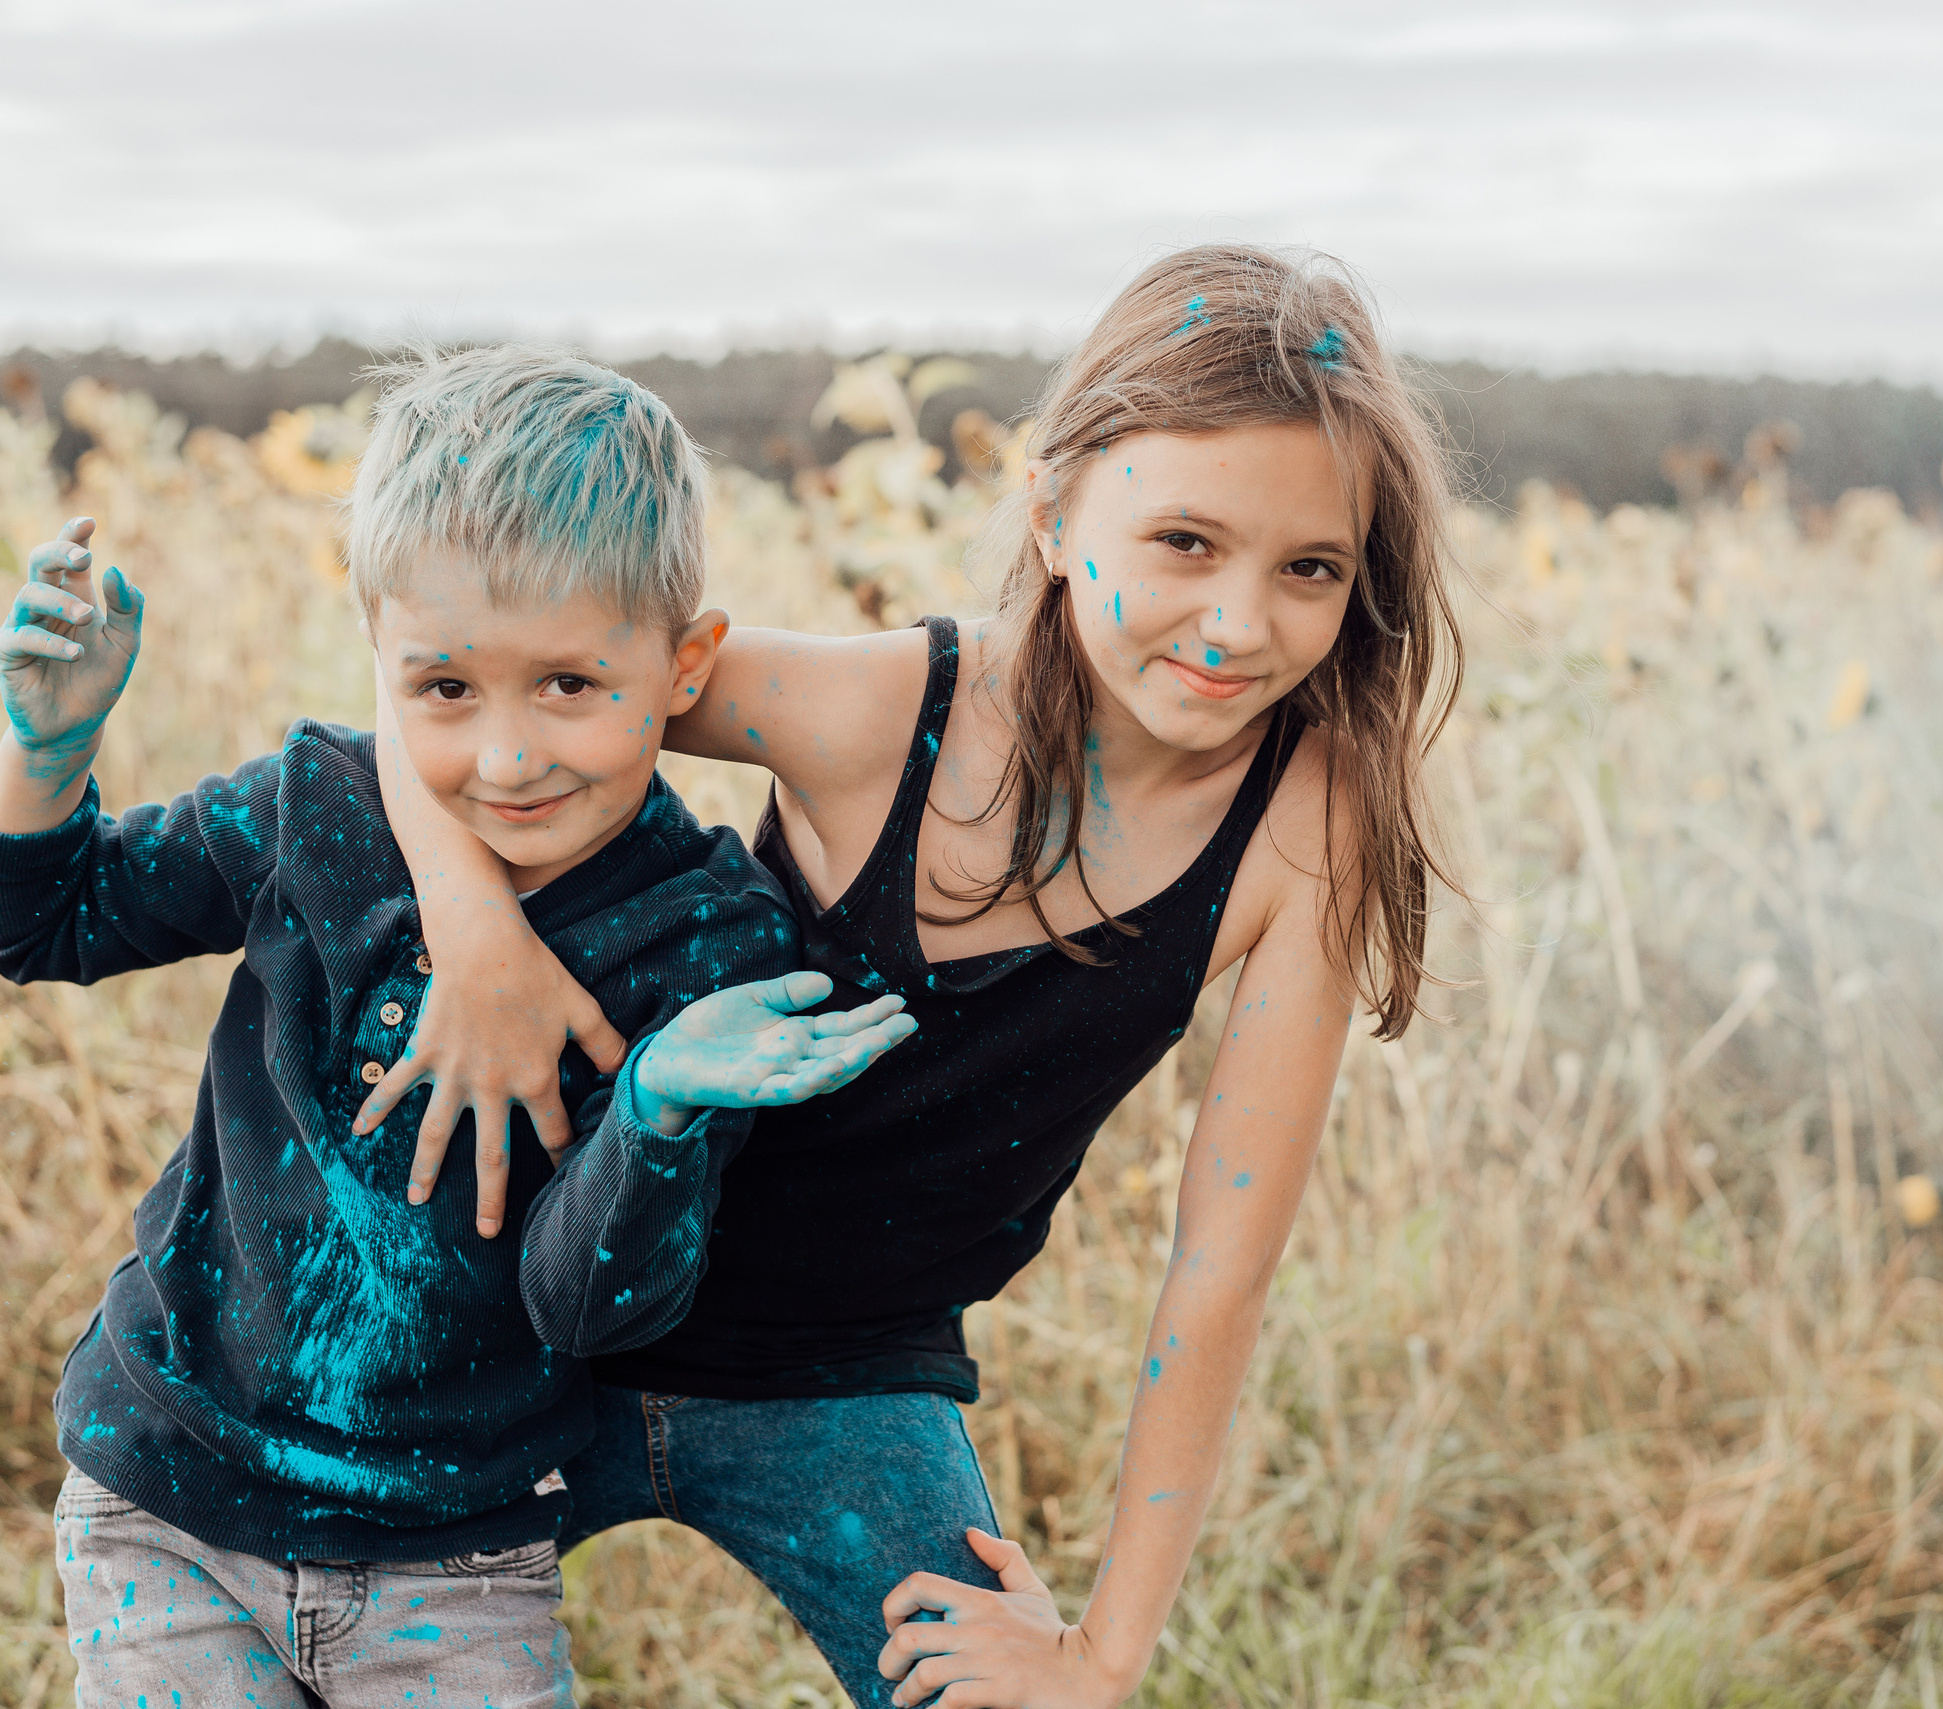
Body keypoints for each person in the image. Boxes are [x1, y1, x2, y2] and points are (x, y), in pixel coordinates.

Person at [364, 246, 1467, 1708]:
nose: (1239, 624)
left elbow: (1221, 1264)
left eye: (1309, 568)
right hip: (556, 1299)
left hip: (852, 1379)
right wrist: (476, 934)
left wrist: (1101, 1656)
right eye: (1185, 542)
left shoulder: (1304, 829)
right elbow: (439, 684)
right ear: (1055, 507)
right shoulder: (874, 709)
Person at [0, 345, 917, 1709]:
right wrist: (46, 753)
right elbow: (48, 927)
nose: (507, 759)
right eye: (446, 689)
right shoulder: (315, 809)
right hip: (163, 1503)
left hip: (457, 1559)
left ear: (684, 661)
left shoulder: (705, 939)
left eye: (570, 685)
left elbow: (587, 1306)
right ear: (382, 658)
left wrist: (656, 1110)